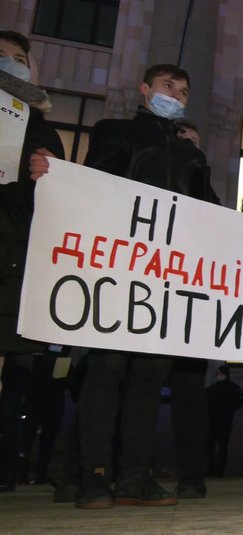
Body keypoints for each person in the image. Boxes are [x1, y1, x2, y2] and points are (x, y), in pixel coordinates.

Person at [29, 63, 224, 509]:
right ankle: (95, 475)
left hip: (162, 279)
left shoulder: (192, 156)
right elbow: (93, 183)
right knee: (105, 370)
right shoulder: (113, 130)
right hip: (118, 270)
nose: (174, 94)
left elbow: (210, 212)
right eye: (167, 86)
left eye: (182, 90)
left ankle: (135, 477)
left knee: (150, 379)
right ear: (145, 89)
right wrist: (59, 176)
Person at [0, 30, 66, 494]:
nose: (11, 65)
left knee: (14, 381)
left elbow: (60, 203)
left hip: (18, 263)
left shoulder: (43, 132)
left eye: (18, 58)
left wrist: (48, 177)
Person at [205, 365, 242, 478]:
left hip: (213, 420)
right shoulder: (234, 388)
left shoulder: (211, 390)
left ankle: (211, 470)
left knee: (211, 446)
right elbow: (238, 403)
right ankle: (219, 471)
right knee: (223, 446)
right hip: (226, 419)